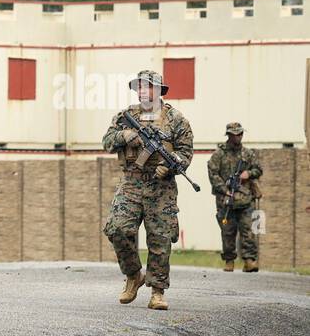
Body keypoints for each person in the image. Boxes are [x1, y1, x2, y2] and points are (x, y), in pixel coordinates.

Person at [101, 70, 194, 310]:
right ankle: (134, 275)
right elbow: (107, 141)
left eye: (148, 86)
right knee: (117, 229)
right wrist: (125, 135)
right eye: (139, 86)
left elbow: (185, 152)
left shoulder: (176, 119)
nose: (142, 90)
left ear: (159, 90)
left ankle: (158, 291)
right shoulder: (126, 116)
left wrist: (170, 166)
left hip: (161, 187)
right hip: (131, 182)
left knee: (160, 238)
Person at [206, 122, 263, 272]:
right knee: (227, 231)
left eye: (240, 134)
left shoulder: (247, 154)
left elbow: (258, 169)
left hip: (245, 199)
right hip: (226, 200)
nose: (238, 137)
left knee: (248, 230)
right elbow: (213, 173)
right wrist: (224, 190)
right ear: (229, 135)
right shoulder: (219, 154)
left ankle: (249, 260)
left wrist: (248, 174)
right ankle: (229, 260)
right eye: (234, 134)